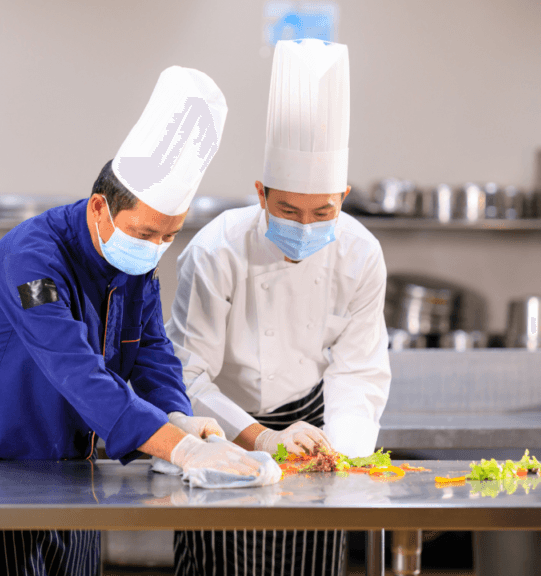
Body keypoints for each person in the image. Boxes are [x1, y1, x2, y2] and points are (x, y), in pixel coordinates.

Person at [0, 66, 270, 576]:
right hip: (0, 457)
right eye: (146, 232)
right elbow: (74, 368)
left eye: (170, 235)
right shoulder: (30, 258)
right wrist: (177, 447)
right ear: (100, 208)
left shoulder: (135, 262)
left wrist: (175, 415)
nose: (156, 248)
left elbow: (154, 352)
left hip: (78, 458)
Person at [166, 39, 392, 576]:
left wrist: (344, 459)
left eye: (323, 212)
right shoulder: (216, 251)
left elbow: (358, 372)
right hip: (220, 429)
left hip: (310, 429)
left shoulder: (361, 253)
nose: (305, 225)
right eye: (288, 208)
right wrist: (261, 439)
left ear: (344, 195)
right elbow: (189, 377)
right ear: (261, 193)